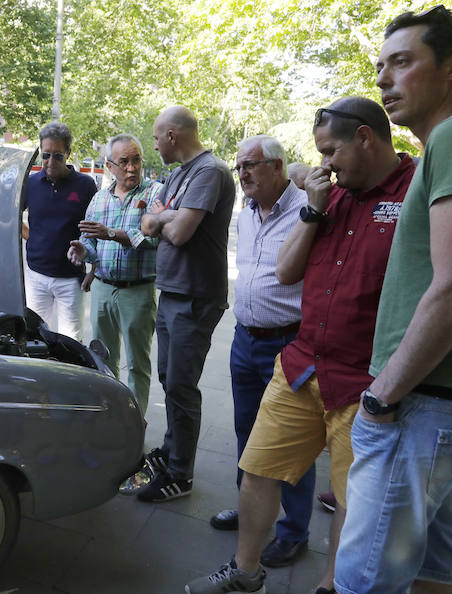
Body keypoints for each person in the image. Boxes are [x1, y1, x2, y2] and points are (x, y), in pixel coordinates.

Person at [186, 96, 416, 594]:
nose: (323, 163)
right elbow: (288, 272)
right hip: (301, 364)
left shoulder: (415, 190)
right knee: (258, 468)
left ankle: (333, 584)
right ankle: (246, 572)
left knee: (352, 498)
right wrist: (313, 209)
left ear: (365, 138)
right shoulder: (329, 197)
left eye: (331, 151)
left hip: (366, 381)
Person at [335, 7, 452, 594]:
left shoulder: (451, 138)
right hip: (434, 410)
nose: (383, 79)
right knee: (433, 573)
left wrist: (382, 397)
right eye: (382, 65)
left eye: (403, 62)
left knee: (365, 581)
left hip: (417, 407)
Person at [208, 135, 315, 568]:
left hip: (288, 341)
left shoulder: (308, 209)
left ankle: (294, 531)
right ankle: (252, 510)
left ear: (278, 166)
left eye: (250, 165)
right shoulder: (247, 212)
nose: (243, 175)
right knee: (245, 431)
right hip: (244, 339)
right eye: (239, 167)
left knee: (292, 442)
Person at [136, 106, 234, 502]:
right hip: (174, 292)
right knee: (169, 380)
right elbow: (146, 222)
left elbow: (177, 234)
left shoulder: (209, 171)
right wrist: (164, 217)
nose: (155, 145)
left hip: (195, 297)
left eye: (156, 138)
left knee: (180, 384)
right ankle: (171, 451)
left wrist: (166, 217)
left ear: (172, 135)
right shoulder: (177, 175)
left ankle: (180, 473)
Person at [67, 134, 161, 414]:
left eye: (136, 160)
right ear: (110, 166)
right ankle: (110, 416)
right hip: (103, 287)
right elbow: (90, 242)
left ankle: (135, 421)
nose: (132, 168)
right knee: (103, 358)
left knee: (137, 362)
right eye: (124, 162)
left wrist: (114, 234)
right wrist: (82, 251)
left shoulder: (155, 193)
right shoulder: (99, 199)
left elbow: (155, 238)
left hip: (138, 289)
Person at [22, 123, 97, 341]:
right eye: (45, 155)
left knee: (71, 342)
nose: (51, 162)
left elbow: (95, 230)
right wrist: (31, 237)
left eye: (58, 156)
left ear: (68, 154)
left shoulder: (85, 185)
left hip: (70, 280)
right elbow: (11, 216)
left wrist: (94, 270)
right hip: (36, 276)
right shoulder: (31, 184)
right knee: (34, 339)